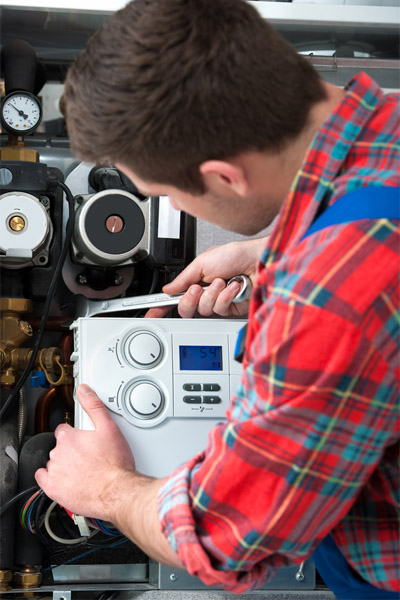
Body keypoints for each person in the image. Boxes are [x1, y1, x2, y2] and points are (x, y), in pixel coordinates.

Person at [35, 0, 399, 597]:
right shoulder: (384, 126)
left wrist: (103, 485)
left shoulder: (331, 295)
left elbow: (226, 542)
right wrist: (275, 254)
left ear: (226, 177)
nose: (177, 211)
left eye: (169, 195)